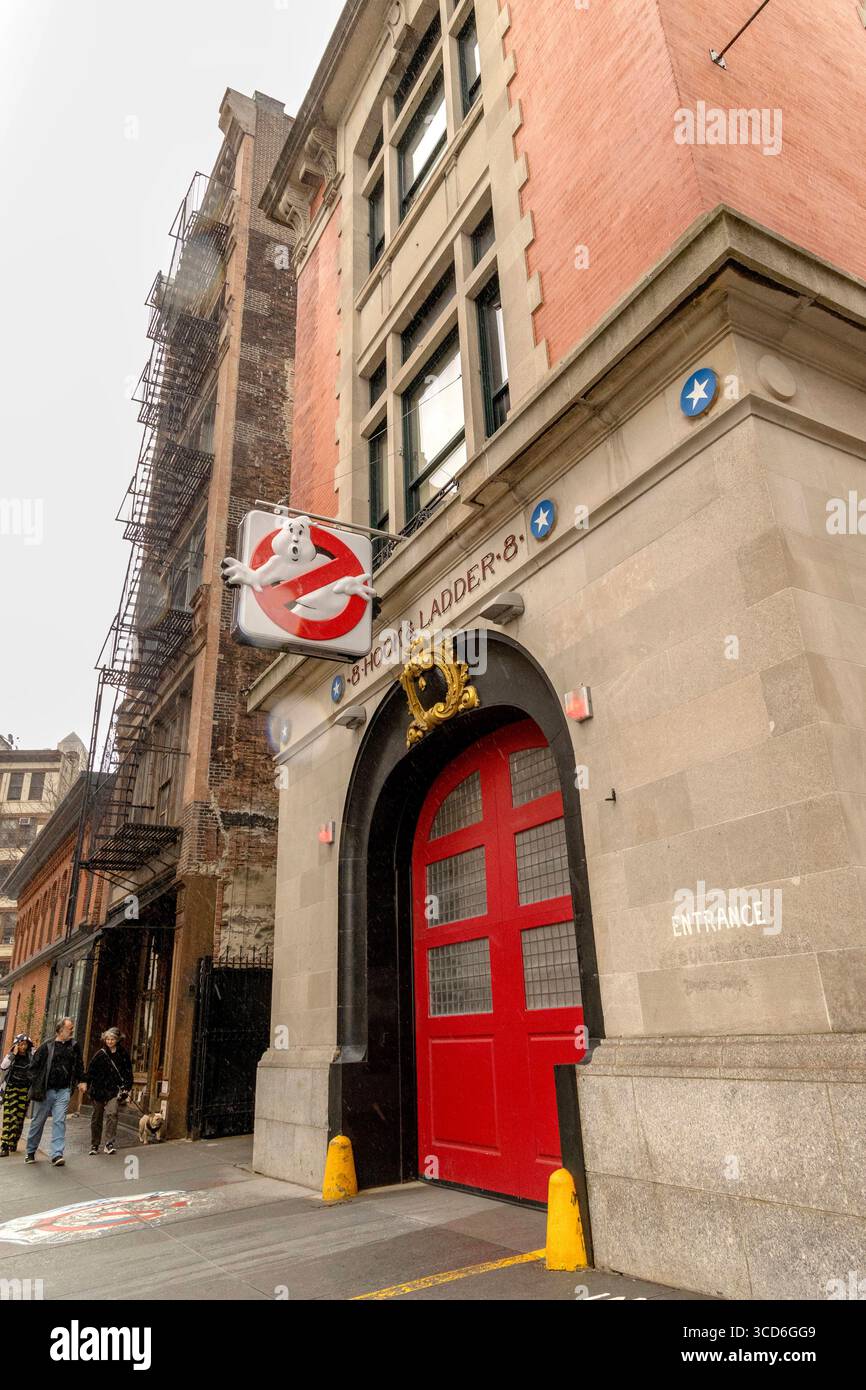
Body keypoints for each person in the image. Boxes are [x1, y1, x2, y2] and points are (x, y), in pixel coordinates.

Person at [25, 1017, 86, 1166]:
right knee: (38, 1122)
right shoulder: (47, 1046)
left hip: (63, 1091)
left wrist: (82, 1080)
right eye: (69, 1028)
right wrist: (37, 1083)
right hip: (46, 1092)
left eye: (72, 1028)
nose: (72, 1031)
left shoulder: (74, 1045)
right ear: (60, 1030)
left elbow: (79, 1065)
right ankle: (30, 1151)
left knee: (59, 1121)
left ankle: (57, 1154)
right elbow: (33, 1067)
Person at [85, 1027, 133, 1155]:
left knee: (112, 1114)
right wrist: (85, 1084)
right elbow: (90, 1071)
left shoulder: (123, 1054)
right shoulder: (100, 1054)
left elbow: (128, 1072)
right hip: (98, 1090)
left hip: (113, 1090)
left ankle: (109, 1143)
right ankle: (94, 1144)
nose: (110, 1041)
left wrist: (127, 1087)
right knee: (97, 1117)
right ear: (104, 1040)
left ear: (117, 1040)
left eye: (112, 1039)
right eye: (107, 1039)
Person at [0, 1033, 34, 1156]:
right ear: (16, 1045)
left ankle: (13, 1141)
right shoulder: (11, 1056)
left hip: (24, 1091)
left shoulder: (31, 1057)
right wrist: (12, 1054)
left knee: (19, 1119)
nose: (23, 1047)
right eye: (20, 1044)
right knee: (10, 1116)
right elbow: (3, 1067)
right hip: (11, 1089)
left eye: (25, 1044)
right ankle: (4, 1145)